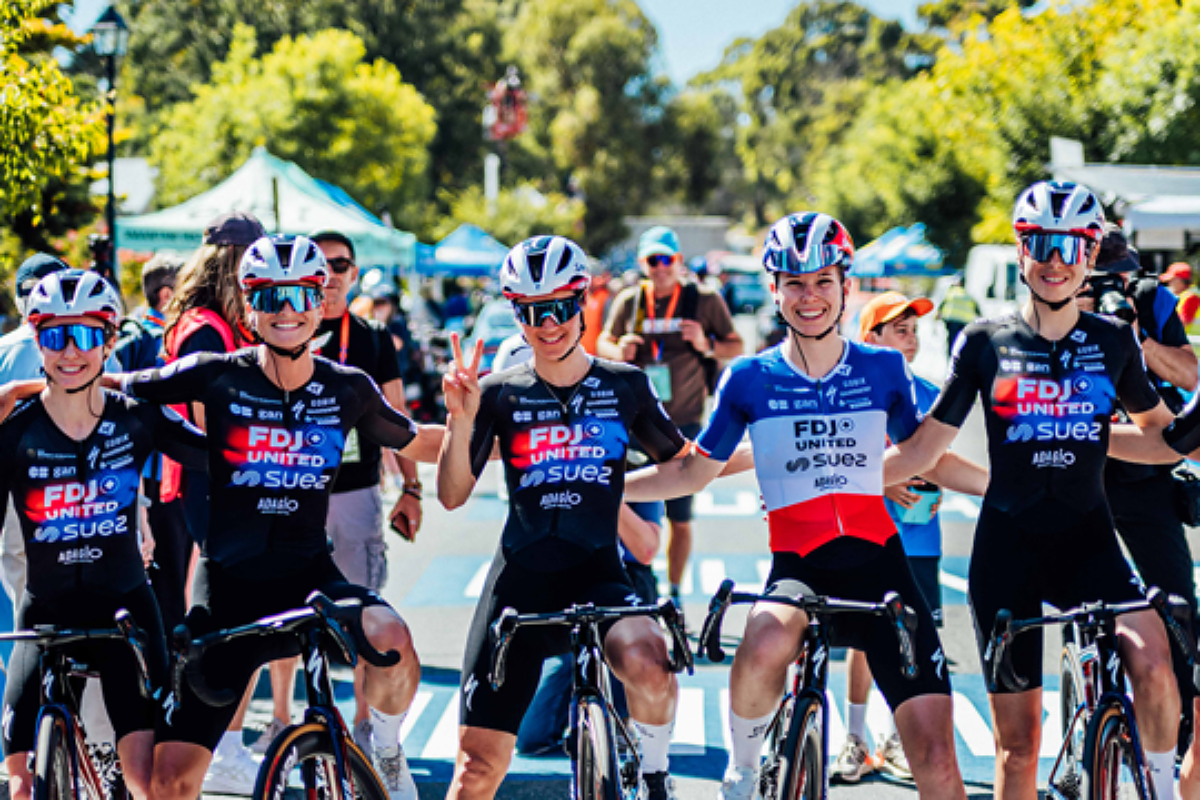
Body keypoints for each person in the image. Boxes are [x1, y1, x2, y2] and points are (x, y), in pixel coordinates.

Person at [53, 234, 448, 800]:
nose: (285, 311)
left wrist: (476, 418)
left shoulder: (346, 387)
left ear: (320, 299)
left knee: (391, 636)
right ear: (248, 304)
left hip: (309, 578)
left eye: (298, 296)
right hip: (229, 589)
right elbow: (108, 384)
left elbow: (421, 441)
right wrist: (22, 391)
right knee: (168, 782)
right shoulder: (217, 374)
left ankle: (382, 745)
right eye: (269, 297)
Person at [624, 212, 981, 800]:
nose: (809, 296)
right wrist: (614, 487)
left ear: (845, 285)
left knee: (939, 763)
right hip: (799, 564)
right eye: (794, 282)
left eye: (822, 281)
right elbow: (692, 470)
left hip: (881, 566)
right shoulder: (748, 378)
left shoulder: (883, 368)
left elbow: (927, 458)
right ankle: (742, 770)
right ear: (774, 289)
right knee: (762, 644)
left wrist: (1002, 487)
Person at [886, 181, 1182, 800]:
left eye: (1072, 245)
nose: (1055, 259)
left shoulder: (1112, 342)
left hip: (1090, 545)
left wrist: (1107, 442)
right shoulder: (984, 342)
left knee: (1154, 661)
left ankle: (1157, 785)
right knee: (1018, 751)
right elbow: (920, 451)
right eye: (1040, 243)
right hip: (1008, 552)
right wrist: (812, 479)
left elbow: (1160, 437)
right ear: (1021, 251)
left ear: (1091, 252)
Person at [438, 235, 689, 800]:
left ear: (582, 303)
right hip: (520, 580)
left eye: (558, 306)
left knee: (650, 662)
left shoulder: (624, 384)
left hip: (597, 570)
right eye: (530, 311)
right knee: (475, 771)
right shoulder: (498, 392)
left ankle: (653, 777)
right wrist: (461, 418)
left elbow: (686, 464)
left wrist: (768, 458)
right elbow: (453, 494)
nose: (546, 323)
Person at [0, 270, 207, 800]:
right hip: (43, 612)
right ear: (36, 341)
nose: (71, 351)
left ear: (110, 340)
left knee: (147, 782)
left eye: (88, 335)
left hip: (123, 614)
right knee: (21, 787)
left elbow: (224, 454)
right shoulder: (15, 430)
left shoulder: (135, 420)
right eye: (54, 336)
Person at [240, 229, 425, 762]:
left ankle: (364, 725)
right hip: (288, 494)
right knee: (283, 610)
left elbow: (399, 416)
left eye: (343, 264)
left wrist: (411, 488)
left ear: (351, 271)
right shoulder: (280, 327)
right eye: (326, 265)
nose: (336, 274)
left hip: (355, 490)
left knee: (362, 608)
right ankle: (280, 718)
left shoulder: (369, 336)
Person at [1076, 224, 1200, 755]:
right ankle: (1086, 710)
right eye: (1100, 280)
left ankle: (1182, 728)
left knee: (1178, 606)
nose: (1111, 288)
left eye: (1119, 277)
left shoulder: (1148, 300)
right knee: (1080, 601)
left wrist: (1135, 338)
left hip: (1147, 478)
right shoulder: (1057, 302)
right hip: (1079, 478)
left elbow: (1191, 377)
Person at [158, 210, 267, 794]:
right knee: (232, 617)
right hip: (210, 481)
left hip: (194, 482)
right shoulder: (206, 329)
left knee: (221, 612)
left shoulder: (200, 320)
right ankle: (220, 742)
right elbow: (207, 426)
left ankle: (222, 740)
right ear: (234, 262)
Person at [598, 225, 744, 608]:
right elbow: (601, 342)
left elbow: (736, 345)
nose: (661, 267)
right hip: (635, 427)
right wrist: (617, 351)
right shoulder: (630, 301)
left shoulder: (704, 299)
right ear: (643, 264)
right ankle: (627, 583)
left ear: (679, 261)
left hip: (684, 423)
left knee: (680, 518)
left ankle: (675, 593)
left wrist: (705, 344)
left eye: (668, 259)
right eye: (653, 260)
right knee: (624, 506)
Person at [831, 290, 944, 784]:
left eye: (915, 329)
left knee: (918, 637)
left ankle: (897, 739)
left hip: (921, 534)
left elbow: (937, 458)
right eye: (900, 329)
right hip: (865, 530)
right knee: (862, 637)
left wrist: (934, 487)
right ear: (870, 336)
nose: (911, 338)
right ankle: (855, 737)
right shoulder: (848, 386)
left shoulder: (931, 391)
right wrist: (886, 480)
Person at [116, 254, 191, 636]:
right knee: (164, 579)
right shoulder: (140, 340)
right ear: (166, 295)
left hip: (167, 476)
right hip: (151, 481)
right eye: (187, 286)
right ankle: (166, 674)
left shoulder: (166, 335)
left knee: (172, 578)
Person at [934, 273, 980, 354]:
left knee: (952, 341)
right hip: (964, 322)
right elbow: (977, 310)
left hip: (952, 321)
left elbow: (941, 306)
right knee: (962, 342)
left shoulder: (951, 293)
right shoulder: (968, 295)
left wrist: (936, 317)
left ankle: (951, 358)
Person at [1162, 262, 1200, 332]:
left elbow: (1181, 325)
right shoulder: (1185, 295)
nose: (1169, 283)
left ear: (1179, 281)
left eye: (1171, 280)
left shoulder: (1191, 297)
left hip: (1193, 341)